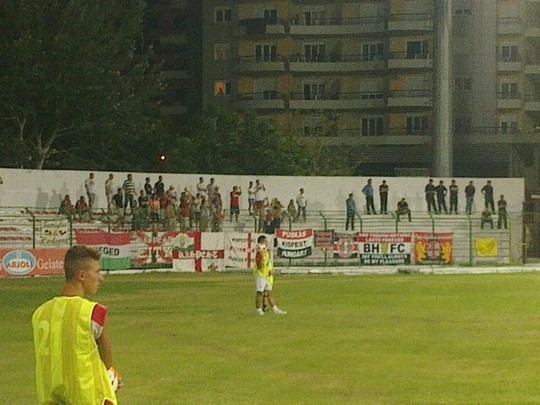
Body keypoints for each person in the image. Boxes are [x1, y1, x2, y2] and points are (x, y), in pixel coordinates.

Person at [32, 246, 120, 405]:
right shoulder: (93, 312)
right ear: (81, 276)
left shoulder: (40, 313)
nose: (101, 278)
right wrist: (111, 375)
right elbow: (107, 363)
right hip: (88, 399)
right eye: (97, 272)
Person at [253, 235, 286, 316]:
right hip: (261, 275)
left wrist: (270, 270)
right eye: (266, 241)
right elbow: (259, 263)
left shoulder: (265, 251)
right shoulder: (260, 251)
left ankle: (275, 309)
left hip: (267, 275)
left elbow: (267, 262)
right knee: (260, 293)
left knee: (269, 293)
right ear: (262, 242)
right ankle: (258, 309)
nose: (267, 243)